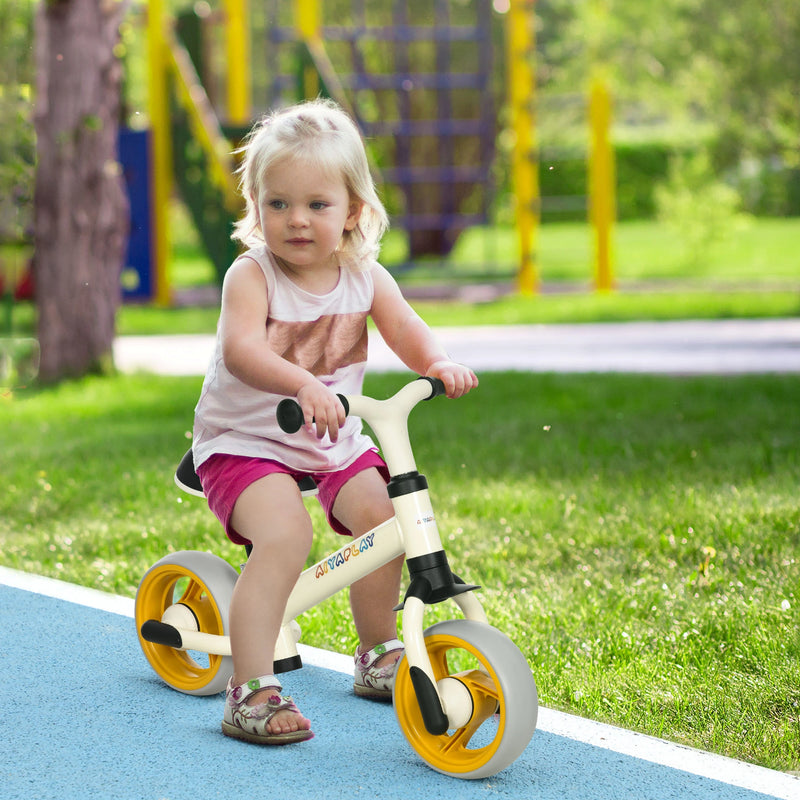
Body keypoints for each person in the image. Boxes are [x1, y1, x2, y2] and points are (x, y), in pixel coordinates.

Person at [192, 98, 478, 745]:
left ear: (353, 210)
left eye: (317, 205)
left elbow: (405, 328)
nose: (296, 220)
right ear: (256, 205)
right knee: (286, 536)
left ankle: (378, 651)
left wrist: (436, 361)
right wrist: (301, 382)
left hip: (331, 439)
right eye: (278, 204)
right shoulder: (252, 275)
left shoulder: (363, 275)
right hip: (246, 442)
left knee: (390, 517)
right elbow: (242, 349)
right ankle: (251, 689)